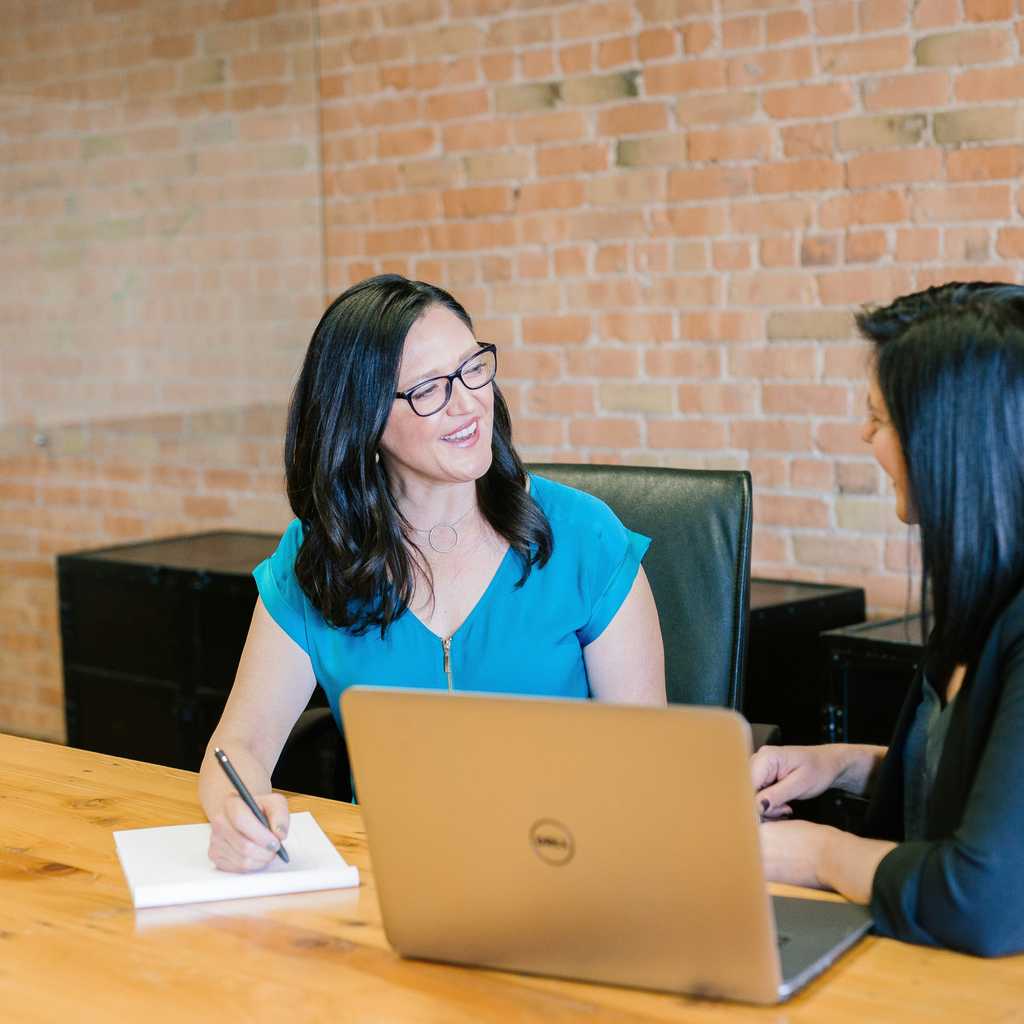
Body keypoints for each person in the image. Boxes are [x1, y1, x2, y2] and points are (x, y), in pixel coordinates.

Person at [199, 274, 666, 872]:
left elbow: (649, 760)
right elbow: (237, 746)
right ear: (363, 420)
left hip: (569, 868)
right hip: (392, 879)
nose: (470, 402)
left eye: (474, 368)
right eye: (428, 390)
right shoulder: (318, 560)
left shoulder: (584, 537)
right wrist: (235, 816)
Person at [752, 282, 1024, 957]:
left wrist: (815, 854)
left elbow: (980, 898)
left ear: (947, 441)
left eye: (880, 416)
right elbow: (984, 786)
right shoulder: (982, 592)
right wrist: (841, 765)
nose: (865, 435)